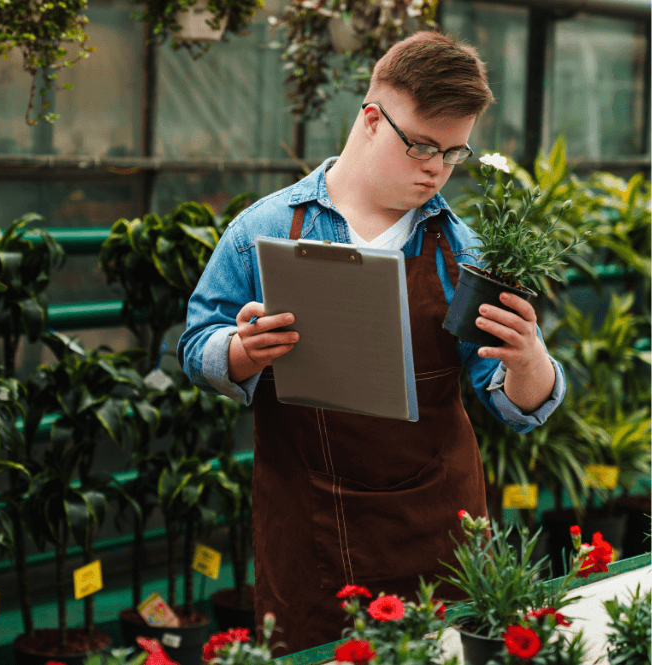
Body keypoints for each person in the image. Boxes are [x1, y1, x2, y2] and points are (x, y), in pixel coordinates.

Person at [176, 31, 566, 655]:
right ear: (369, 119)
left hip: (438, 528)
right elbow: (197, 343)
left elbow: (512, 404)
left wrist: (531, 362)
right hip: (306, 526)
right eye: (421, 146)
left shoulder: (463, 252)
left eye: (454, 154)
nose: (436, 168)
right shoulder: (266, 229)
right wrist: (240, 351)